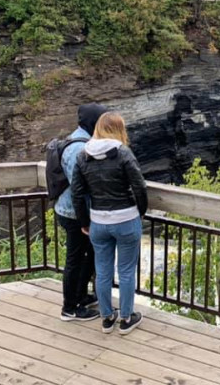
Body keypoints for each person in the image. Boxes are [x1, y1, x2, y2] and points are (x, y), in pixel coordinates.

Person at [71, 113, 147, 335]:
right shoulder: (123, 153)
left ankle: (106, 318)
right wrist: (140, 212)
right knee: (125, 271)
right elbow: (139, 186)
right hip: (125, 220)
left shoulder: (83, 154)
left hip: (98, 222)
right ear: (118, 130)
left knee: (102, 271)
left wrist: (84, 221)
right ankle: (126, 318)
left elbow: (77, 193)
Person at [55, 103, 107, 321]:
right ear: (93, 122)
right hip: (75, 214)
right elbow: (80, 188)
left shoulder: (77, 140)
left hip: (73, 211)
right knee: (75, 259)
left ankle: (80, 296)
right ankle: (70, 308)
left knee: (89, 255)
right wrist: (86, 219)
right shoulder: (79, 148)